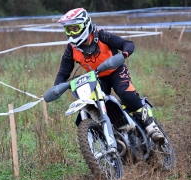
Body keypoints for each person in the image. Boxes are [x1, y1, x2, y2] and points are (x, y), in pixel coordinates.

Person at [54, 8, 164, 143]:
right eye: (68, 30)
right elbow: (63, 72)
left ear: (86, 24)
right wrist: (57, 87)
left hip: (116, 71)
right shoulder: (71, 48)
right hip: (97, 78)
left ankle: (151, 126)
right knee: (90, 107)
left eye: (75, 29)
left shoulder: (101, 36)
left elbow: (127, 44)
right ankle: (108, 141)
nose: (71, 33)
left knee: (126, 94)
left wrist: (123, 54)